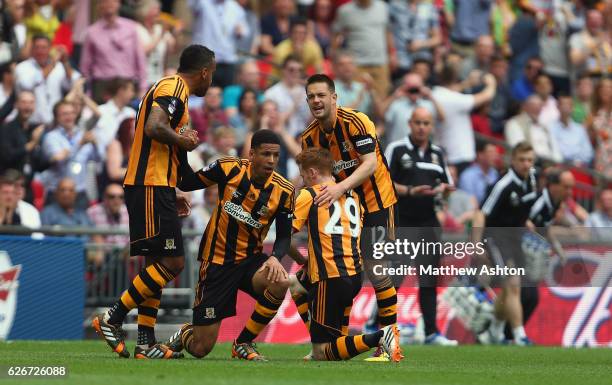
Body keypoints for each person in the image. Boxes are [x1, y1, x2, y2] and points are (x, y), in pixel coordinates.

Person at [92, 44, 213, 360]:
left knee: (155, 265)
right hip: (149, 185)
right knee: (173, 263)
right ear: (204, 71)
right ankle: (112, 317)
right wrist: (183, 140)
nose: (210, 80)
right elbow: (153, 126)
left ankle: (145, 342)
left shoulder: (175, 94)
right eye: (211, 75)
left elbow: (173, 158)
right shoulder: (173, 87)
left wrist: (180, 187)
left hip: (156, 187)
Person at [163, 130, 295, 361]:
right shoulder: (228, 168)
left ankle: (243, 343)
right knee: (200, 349)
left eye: (276, 155)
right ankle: (186, 332)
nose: (272, 161)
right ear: (252, 154)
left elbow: (284, 236)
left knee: (281, 281)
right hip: (216, 262)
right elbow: (186, 181)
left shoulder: (285, 190)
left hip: (250, 261)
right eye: (266, 154)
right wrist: (182, 146)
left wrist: (275, 257)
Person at [301, 74, 398, 360]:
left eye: (321, 95)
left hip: (377, 202)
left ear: (334, 97)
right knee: (344, 271)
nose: (316, 101)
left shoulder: (357, 122)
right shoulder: (310, 137)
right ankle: (336, 344)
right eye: (311, 97)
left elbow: (370, 163)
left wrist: (339, 187)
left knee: (376, 268)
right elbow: (309, 178)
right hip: (343, 207)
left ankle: (389, 341)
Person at [289, 147, 402, 361]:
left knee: (322, 352)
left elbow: (285, 238)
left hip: (329, 277)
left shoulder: (309, 194)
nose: (302, 180)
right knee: (294, 284)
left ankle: (380, 336)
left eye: (303, 175)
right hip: (354, 276)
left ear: (312, 173)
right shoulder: (353, 197)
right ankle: (321, 342)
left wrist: (301, 260)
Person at [384, 107, 458, 345]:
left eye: (426, 123)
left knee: (428, 280)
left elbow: (447, 186)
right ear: (409, 123)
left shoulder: (437, 154)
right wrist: (409, 191)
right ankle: (379, 326)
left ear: (432, 126)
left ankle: (431, 333)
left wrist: (443, 193)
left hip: (428, 223)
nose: (422, 127)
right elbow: (380, 183)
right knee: (396, 277)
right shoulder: (397, 149)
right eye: (418, 122)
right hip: (402, 220)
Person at [472, 141, 538, 346]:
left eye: (529, 160)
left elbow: (520, 207)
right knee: (513, 285)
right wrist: (475, 244)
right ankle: (519, 336)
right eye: (522, 160)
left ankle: (495, 329)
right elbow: (481, 213)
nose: (526, 164)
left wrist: (525, 222)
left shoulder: (532, 180)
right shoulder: (503, 184)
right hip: (495, 238)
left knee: (508, 290)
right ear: (512, 160)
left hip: (515, 238)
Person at [499, 169, 574, 343]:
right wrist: (527, 224)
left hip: (527, 252)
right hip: (513, 247)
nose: (570, 192)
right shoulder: (539, 201)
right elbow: (518, 218)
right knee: (527, 294)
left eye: (571, 188)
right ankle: (511, 335)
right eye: (566, 187)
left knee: (518, 294)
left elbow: (545, 228)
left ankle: (503, 332)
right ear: (553, 186)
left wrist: (557, 248)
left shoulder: (554, 204)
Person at [431, 65, 497, 174]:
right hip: (459, 156)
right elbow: (487, 95)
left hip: (448, 154)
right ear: (456, 78)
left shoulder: (436, 94)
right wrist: (491, 81)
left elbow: (452, 89)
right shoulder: (454, 99)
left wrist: (468, 83)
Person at [80, 0, 147, 102]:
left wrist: (143, 88)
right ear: (99, 5)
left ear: (118, 3)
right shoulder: (92, 32)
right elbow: (85, 66)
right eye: (104, 1)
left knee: (130, 117)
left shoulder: (131, 27)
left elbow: (140, 59)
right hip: (103, 86)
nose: (109, 3)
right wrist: (87, 92)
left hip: (127, 85)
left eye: (112, 0)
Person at [41, 100, 98, 210]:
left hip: (79, 192)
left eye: (72, 113)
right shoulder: (51, 137)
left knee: (81, 226)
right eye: (64, 114)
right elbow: (58, 158)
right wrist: (79, 144)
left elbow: (98, 159)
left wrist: (96, 145)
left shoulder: (82, 134)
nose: (69, 116)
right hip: (57, 192)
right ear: (56, 117)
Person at [331, 0, 395, 98]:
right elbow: (336, 35)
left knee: (381, 100)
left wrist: (392, 54)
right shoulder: (345, 11)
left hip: (380, 63)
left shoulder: (383, 7)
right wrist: (335, 58)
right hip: (357, 65)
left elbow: (387, 32)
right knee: (358, 101)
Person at [14, 34, 79, 125]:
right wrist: (52, 65)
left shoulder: (59, 67)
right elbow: (27, 84)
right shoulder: (22, 67)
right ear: (32, 49)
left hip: (55, 122)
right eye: (37, 47)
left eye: (44, 48)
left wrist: (65, 62)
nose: (40, 51)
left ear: (50, 49)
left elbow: (71, 84)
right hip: (32, 122)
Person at [188, 0, 249, 88]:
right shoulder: (202, 3)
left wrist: (240, 31)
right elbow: (192, 5)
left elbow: (245, 31)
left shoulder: (236, 8)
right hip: (205, 60)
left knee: (225, 94)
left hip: (227, 60)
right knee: (204, 93)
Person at [382, 72, 442, 146]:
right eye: (411, 89)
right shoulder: (396, 104)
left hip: (423, 151)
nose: (414, 92)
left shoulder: (428, 105)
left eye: (416, 89)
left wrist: (430, 96)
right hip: (399, 151)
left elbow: (442, 118)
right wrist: (394, 96)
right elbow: (381, 116)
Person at [389, 0, 441, 81]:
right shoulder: (395, 6)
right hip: (400, 61)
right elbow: (388, 32)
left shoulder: (429, 8)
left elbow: (437, 39)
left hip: (421, 62)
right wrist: (392, 53)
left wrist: (420, 44)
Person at [505, 95, 562, 165]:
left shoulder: (545, 127)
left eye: (539, 106)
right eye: (533, 106)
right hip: (529, 164)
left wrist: (557, 163)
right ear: (525, 107)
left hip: (549, 164)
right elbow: (520, 149)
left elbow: (555, 150)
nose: (537, 109)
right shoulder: (514, 123)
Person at [263, 55, 311, 137]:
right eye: (291, 70)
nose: (296, 73)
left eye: (299, 70)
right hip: (281, 139)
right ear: (283, 70)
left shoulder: (307, 92)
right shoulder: (271, 93)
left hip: (303, 139)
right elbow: (272, 123)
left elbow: (309, 122)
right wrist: (294, 105)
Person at [91, 78, 136, 162]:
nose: (133, 94)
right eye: (131, 90)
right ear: (121, 91)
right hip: (102, 163)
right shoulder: (100, 111)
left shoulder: (131, 113)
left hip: (128, 161)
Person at [87, 183, 129, 265]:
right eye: (112, 197)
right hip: (103, 255)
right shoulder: (92, 212)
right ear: (104, 198)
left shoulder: (128, 213)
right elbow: (88, 237)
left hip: (123, 256)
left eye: (120, 197)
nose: (116, 201)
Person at [549, 94, 594, 166]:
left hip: (580, 166)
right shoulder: (551, 128)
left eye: (569, 105)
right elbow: (554, 151)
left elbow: (588, 152)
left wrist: (578, 161)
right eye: (563, 104)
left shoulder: (580, 129)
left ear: (572, 108)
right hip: (560, 166)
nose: (566, 107)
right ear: (557, 107)